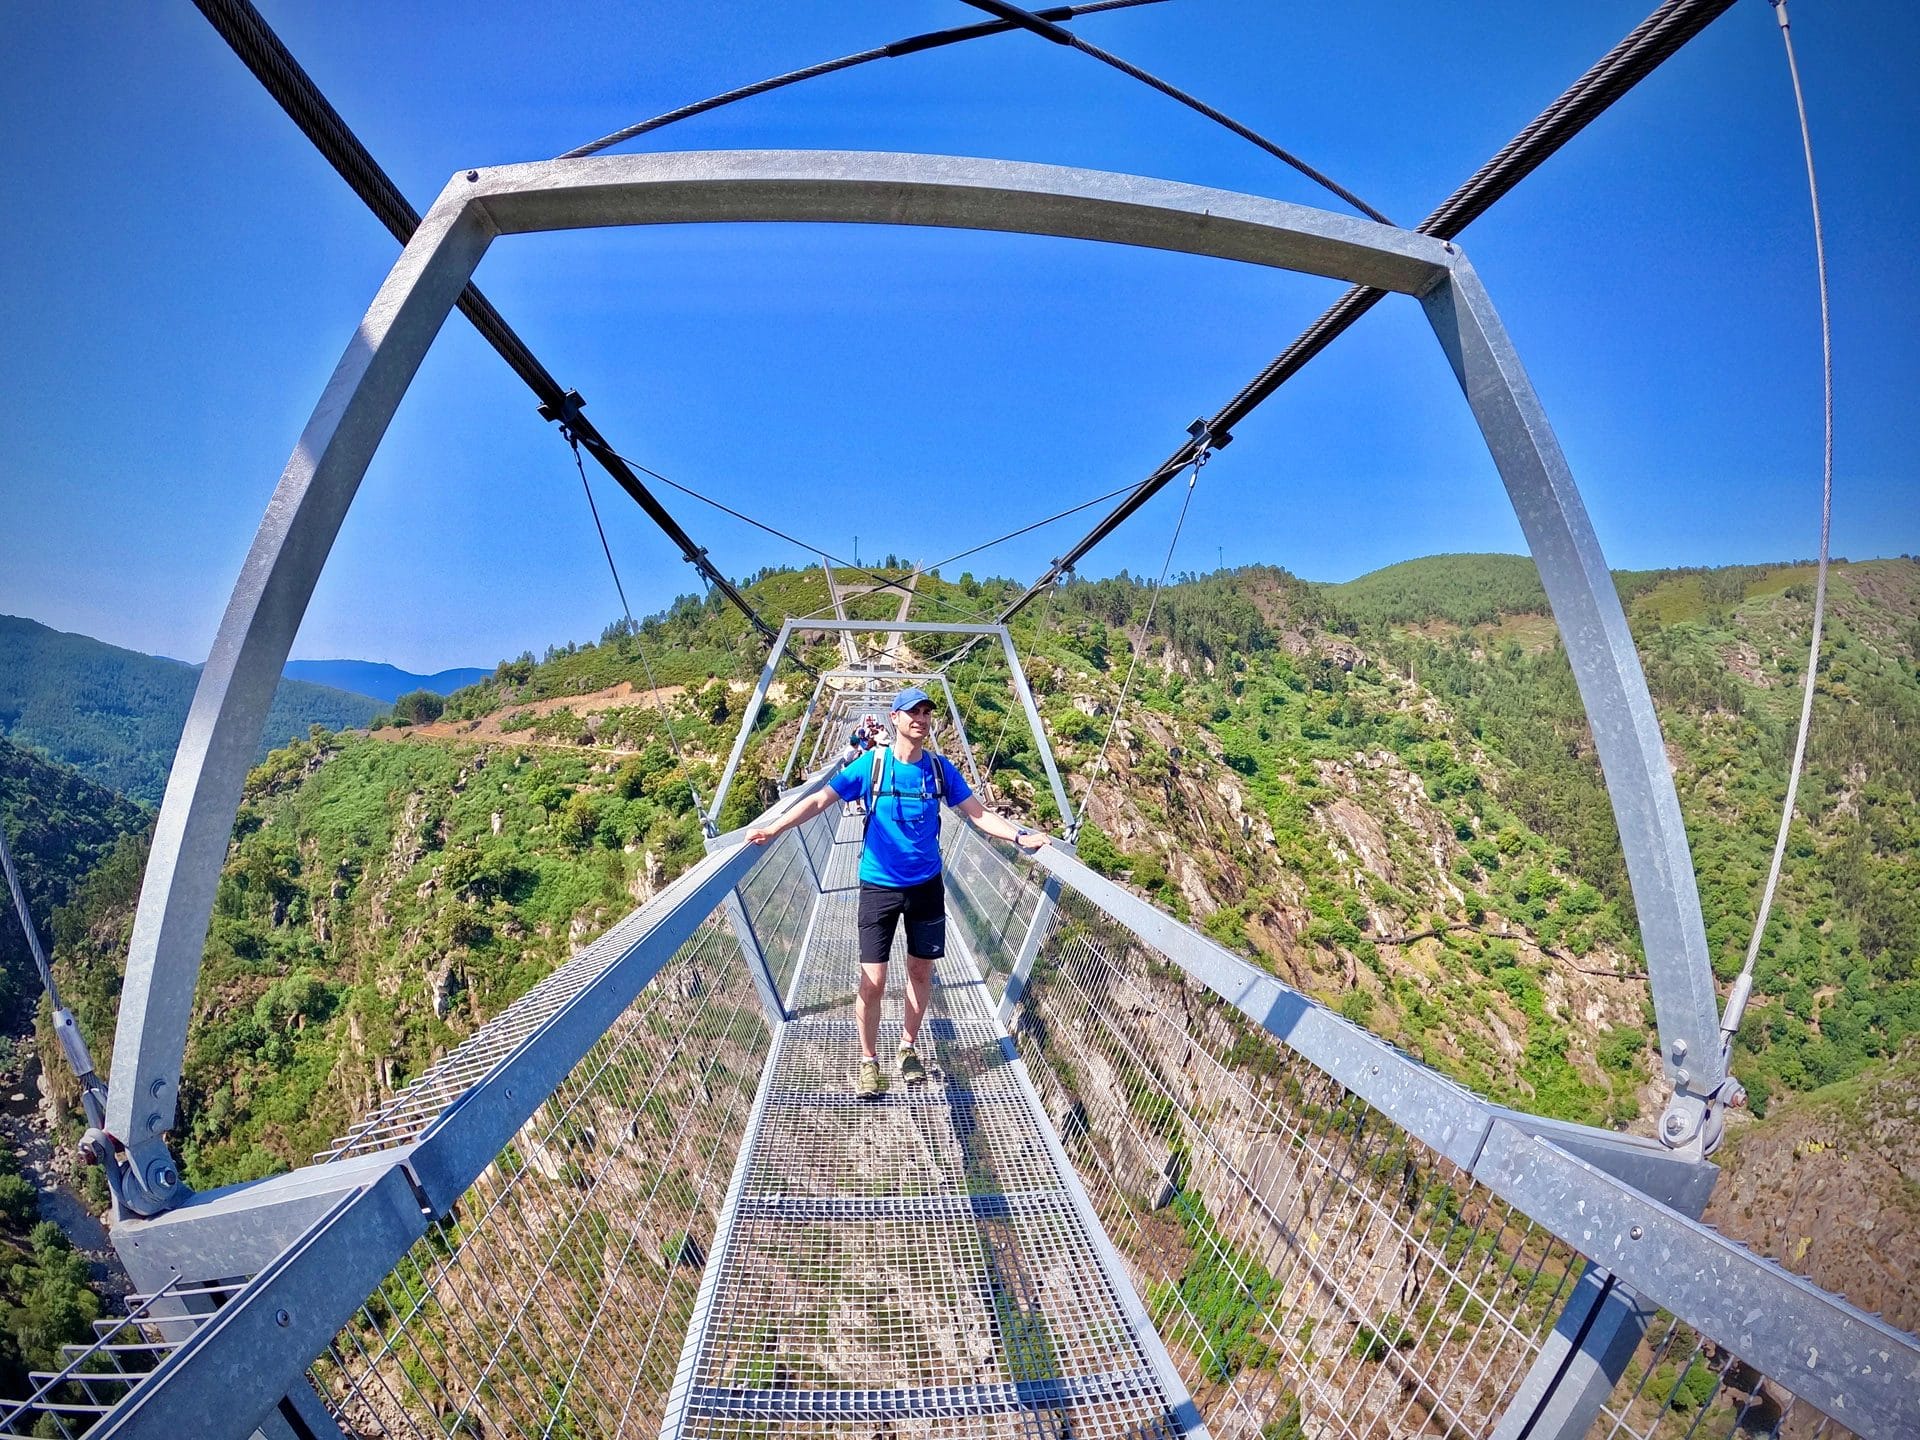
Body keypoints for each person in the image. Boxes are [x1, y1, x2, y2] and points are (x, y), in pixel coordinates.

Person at [746, 687, 1049, 1096]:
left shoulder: (940, 771)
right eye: (912, 712)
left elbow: (978, 815)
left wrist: (1019, 836)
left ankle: (907, 1048)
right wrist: (775, 827)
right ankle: (869, 1061)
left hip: (926, 887)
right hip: (878, 888)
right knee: (872, 981)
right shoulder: (871, 765)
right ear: (894, 718)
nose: (920, 719)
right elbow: (820, 800)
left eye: (926, 712)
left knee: (921, 972)